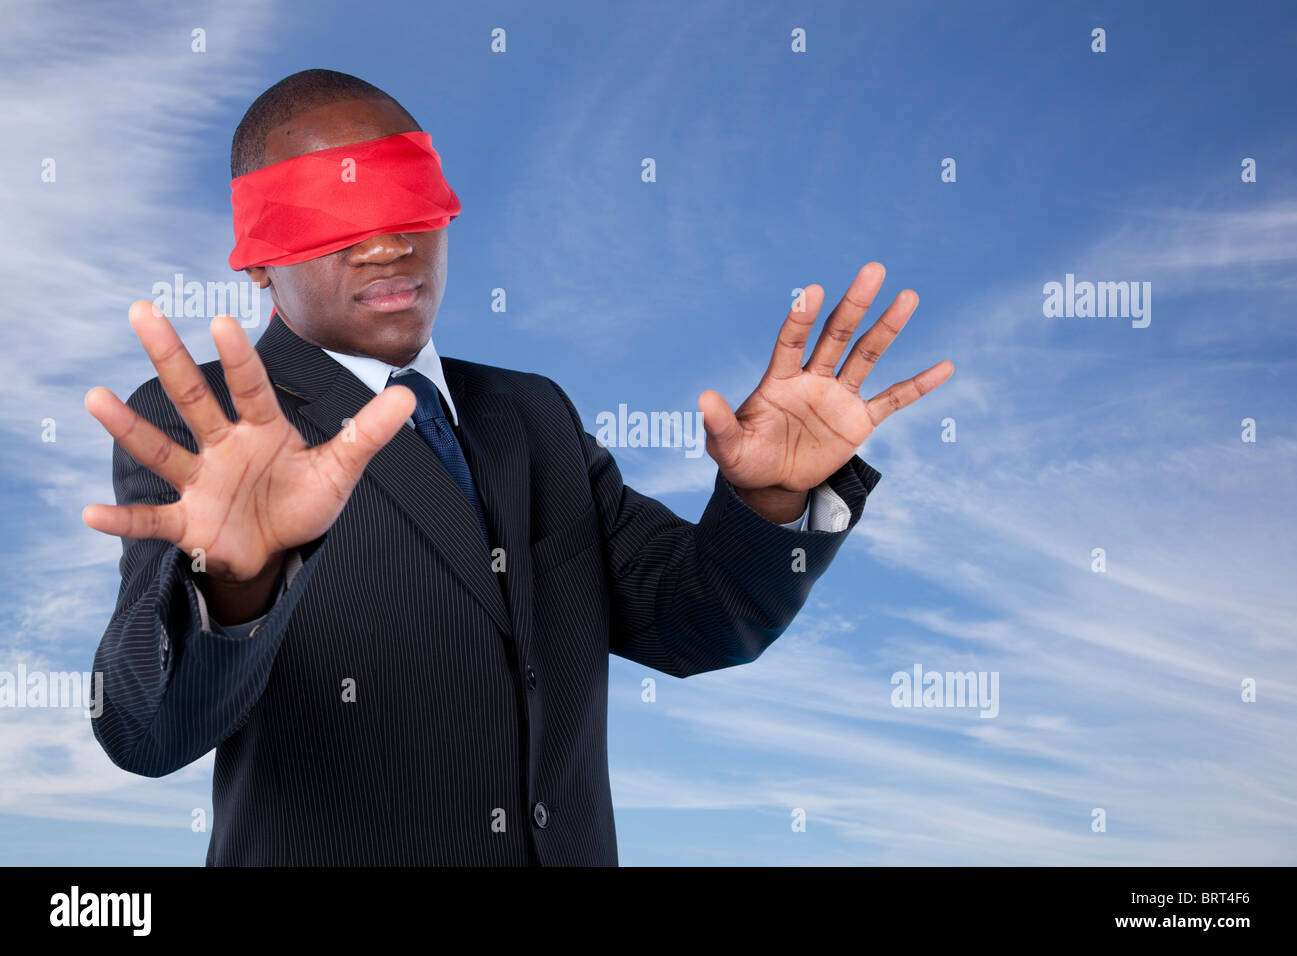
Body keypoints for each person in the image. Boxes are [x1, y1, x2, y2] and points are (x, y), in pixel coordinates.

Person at [83, 69, 953, 865]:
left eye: (406, 201)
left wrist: (770, 498)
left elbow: (701, 624)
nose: (385, 243)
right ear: (258, 262)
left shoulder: (531, 415)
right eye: (330, 213)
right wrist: (236, 583)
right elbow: (145, 732)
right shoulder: (211, 425)